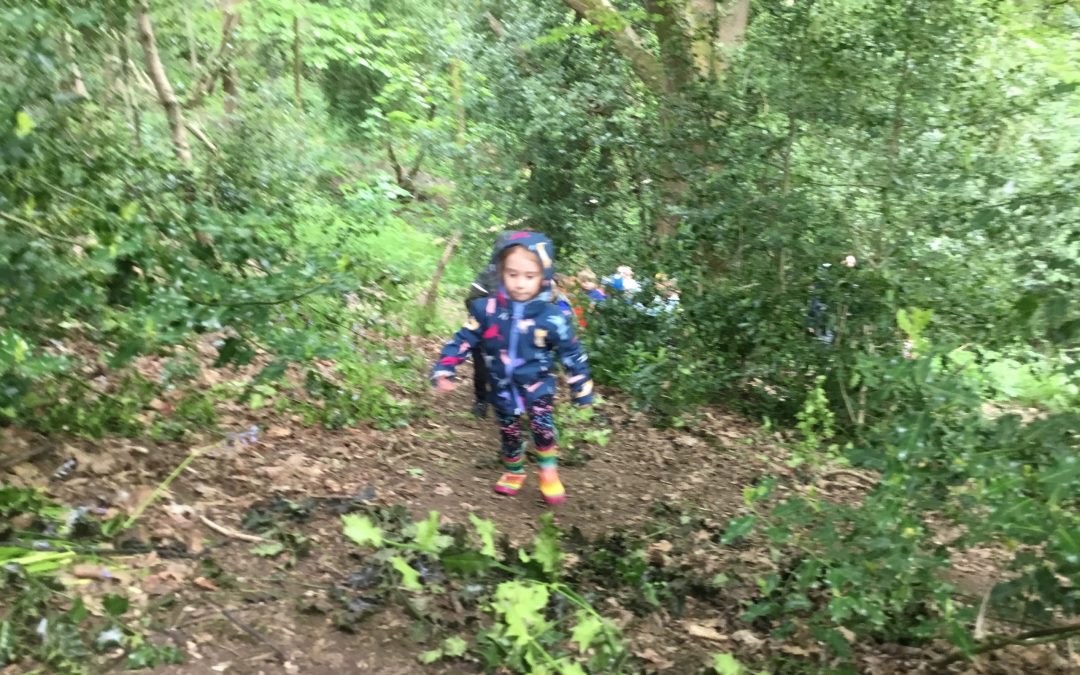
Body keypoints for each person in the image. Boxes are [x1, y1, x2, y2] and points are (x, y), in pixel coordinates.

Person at [432, 231, 594, 505]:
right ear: (500, 272)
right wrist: (445, 367)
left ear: (544, 276)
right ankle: (514, 469)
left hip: (537, 384)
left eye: (529, 276)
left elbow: (571, 353)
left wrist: (582, 389)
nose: (520, 283)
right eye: (512, 274)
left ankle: (548, 470)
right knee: (508, 429)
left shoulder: (552, 317)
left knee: (542, 426)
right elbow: (463, 339)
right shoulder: (486, 310)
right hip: (501, 385)